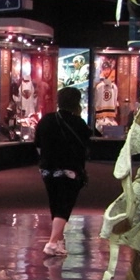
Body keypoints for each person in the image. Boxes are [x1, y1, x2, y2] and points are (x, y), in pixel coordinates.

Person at [34, 85, 91, 256]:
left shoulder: (46, 120)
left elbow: (37, 144)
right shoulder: (79, 123)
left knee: (55, 203)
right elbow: (86, 147)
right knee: (64, 206)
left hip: (47, 169)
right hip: (70, 170)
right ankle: (52, 243)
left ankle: (58, 241)